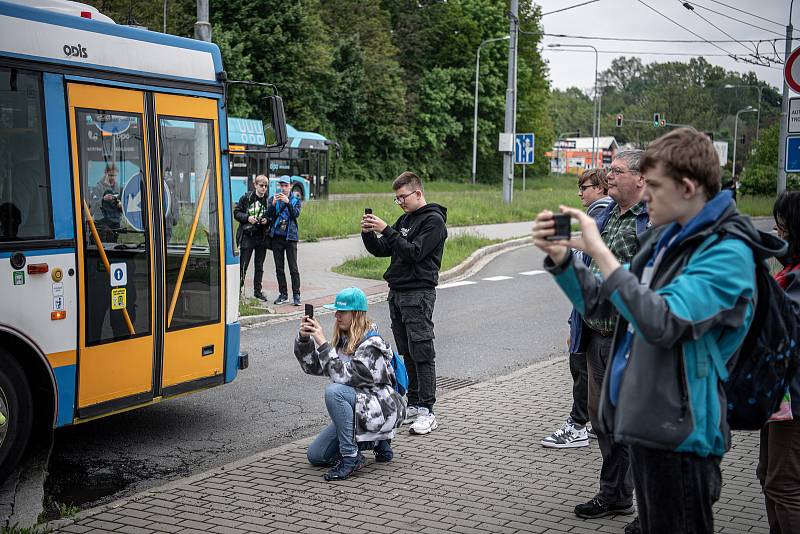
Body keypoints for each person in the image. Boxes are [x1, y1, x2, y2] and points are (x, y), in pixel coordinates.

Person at [534, 127, 779, 533]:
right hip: (647, 425)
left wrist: (598, 251)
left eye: (654, 186)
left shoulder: (725, 252)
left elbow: (664, 323)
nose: (645, 195)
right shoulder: (668, 241)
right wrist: (564, 261)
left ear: (685, 187)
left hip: (682, 436)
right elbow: (604, 300)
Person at [361, 171, 447, 435]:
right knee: (406, 350)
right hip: (397, 293)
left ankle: (427, 411)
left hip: (418, 293)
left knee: (422, 350)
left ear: (418, 193)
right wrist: (368, 233)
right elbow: (383, 249)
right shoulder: (405, 220)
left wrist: (387, 229)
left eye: (402, 197)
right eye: (396, 198)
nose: (399, 202)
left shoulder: (434, 222)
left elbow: (414, 253)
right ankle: (414, 402)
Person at [295, 287, 405, 481]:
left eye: (342, 312)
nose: (336, 316)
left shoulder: (372, 345)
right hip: (363, 409)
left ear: (356, 314)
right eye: (336, 311)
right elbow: (314, 367)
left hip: (381, 409)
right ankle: (376, 442)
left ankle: (351, 456)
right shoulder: (344, 340)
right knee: (317, 456)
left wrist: (322, 343)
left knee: (334, 392)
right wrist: (305, 340)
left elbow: (344, 377)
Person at [541, 168, 611, 449]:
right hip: (590, 305)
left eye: (586, 187)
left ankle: (577, 425)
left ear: (603, 187)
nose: (580, 193)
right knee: (588, 367)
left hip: (592, 306)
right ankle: (595, 421)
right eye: (579, 188)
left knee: (581, 365)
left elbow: (590, 264)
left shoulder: (601, 212)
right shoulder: (604, 212)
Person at [757, 189, 800, 533]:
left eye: (782, 227)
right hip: (778, 399)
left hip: (794, 402)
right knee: (767, 474)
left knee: (783, 483)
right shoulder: (790, 270)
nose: (777, 232)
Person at [234, 174, 271, 301]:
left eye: (266, 186)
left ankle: (257, 291)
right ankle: (237, 290)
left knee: (259, 266)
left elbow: (271, 216)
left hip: (261, 237)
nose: (264, 188)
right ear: (255, 185)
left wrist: (267, 220)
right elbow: (236, 213)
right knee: (244, 265)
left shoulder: (268, 200)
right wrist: (247, 218)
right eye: (261, 185)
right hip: (247, 236)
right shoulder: (246, 198)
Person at [269, 176, 302, 306]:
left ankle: (296, 295)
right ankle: (283, 294)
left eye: (285, 185)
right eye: (281, 185)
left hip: (290, 238)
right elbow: (269, 215)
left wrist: (288, 202)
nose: (283, 188)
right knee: (279, 268)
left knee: (293, 268)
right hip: (277, 237)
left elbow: (295, 215)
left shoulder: (296, 200)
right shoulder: (274, 199)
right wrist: (272, 205)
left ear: (290, 186)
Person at [89, 165, 122, 243]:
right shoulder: (98, 186)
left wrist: (120, 204)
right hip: (102, 221)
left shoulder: (118, 187)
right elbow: (92, 205)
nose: (113, 178)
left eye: (115, 176)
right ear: (105, 173)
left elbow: (121, 204)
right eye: (110, 175)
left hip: (115, 222)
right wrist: (103, 199)